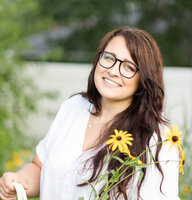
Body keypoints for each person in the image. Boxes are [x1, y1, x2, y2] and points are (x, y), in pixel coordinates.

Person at [0, 26, 180, 200]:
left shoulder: (156, 139)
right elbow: (40, 167)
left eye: (128, 67)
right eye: (109, 58)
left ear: (144, 79)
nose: (113, 71)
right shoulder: (73, 107)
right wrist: (19, 181)